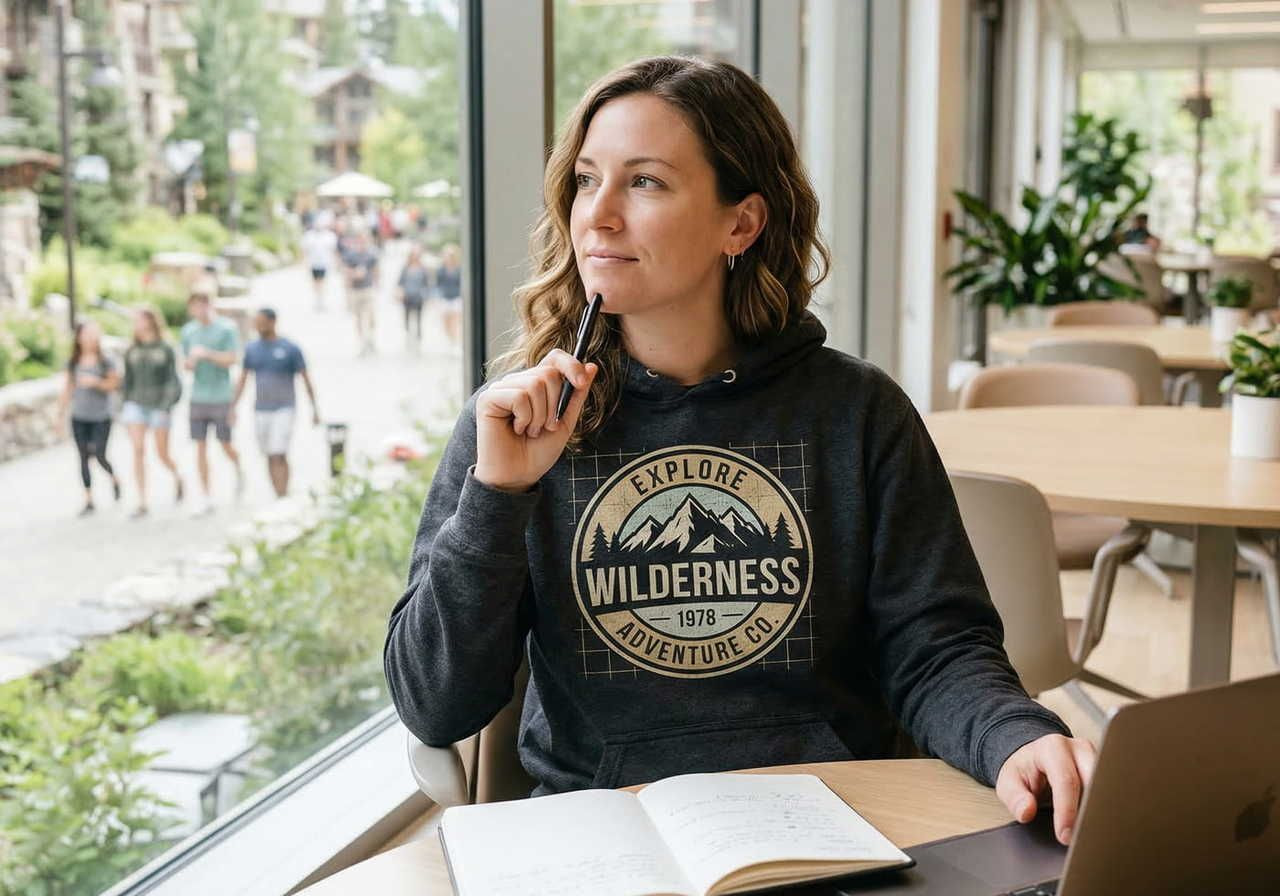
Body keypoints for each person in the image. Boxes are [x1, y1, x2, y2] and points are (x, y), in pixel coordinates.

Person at [384, 57, 1097, 848]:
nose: (599, 216)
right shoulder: (515, 428)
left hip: (836, 828)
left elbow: (936, 647)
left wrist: (1015, 735)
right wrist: (497, 497)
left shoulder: (857, 413)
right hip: (606, 837)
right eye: (588, 180)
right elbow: (434, 706)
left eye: (645, 183)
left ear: (741, 223)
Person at [232, 308, 319, 498]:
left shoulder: (290, 349)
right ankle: (277, 492)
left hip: (284, 407)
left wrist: (315, 408)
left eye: (262, 322)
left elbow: (305, 378)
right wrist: (233, 406)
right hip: (261, 408)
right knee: (269, 453)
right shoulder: (252, 349)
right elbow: (243, 379)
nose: (258, 326)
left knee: (279, 451)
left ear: (273, 322)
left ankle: (283, 493)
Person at [180, 285, 243, 515]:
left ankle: (237, 466)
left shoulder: (226, 328)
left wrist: (207, 354)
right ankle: (206, 494)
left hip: (221, 394)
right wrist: (191, 362)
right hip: (198, 395)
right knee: (200, 446)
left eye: (203, 303)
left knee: (225, 443)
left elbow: (232, 358)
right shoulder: (188, 332)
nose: (199, 308)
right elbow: (185, 363)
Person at [120, 306, 185, 518]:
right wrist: (124, 403)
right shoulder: (132, 350)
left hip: (159, 405)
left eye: (140, 319)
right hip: (136, 403)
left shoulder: (165, 348)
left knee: (161, 453)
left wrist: (166, 405)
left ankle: (178, 476)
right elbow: (127, 381)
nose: (137, 323)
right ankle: (142, 500)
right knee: (138, 450)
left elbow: (173, 381)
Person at [56, 320, 122, 516]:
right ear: (78, 337)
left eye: (92, 334)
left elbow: (114, 385)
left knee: (99, 454)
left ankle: (114, 479)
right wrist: (59, 415)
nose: (89, 339)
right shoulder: (74, 361)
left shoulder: (106, 360)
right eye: (85, 335)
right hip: (79, 416)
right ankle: (89, 499)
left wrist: (95, 382)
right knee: (83, 457)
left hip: (101, 416)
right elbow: (67, 388)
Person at [343, 230, 380, 356]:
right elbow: (346, 273)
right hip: (355, 289)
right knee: (358, 317)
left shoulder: (371, 255)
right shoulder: (351, 255)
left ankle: (370, 339)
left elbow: (376, 270)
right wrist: (355, 275)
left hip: (368, 288)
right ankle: (361, 342)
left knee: (370, 315)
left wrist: (377, 284)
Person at [397, 245, 431, 349]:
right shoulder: (405, 268)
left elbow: (427, 284)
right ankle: (408, 335)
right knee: (407, 317)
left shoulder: (423, 268)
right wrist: (400, 292)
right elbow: (400, 282)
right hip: (407, 296)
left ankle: (418, 338)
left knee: (419, 318)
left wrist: (427, 296)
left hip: (418, 297)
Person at [301, 220, 339, 311]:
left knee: (322, 282)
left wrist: (337, 262)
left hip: (324, 263)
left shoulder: (329, 236)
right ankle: (318, 299)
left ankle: (321, 300)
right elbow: (304, 250)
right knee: (315, 282)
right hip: (313, 263)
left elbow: (333, 250)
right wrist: (303, 262)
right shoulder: (309, 236)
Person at [434, 243, 462, 350]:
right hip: (444, 298)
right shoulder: (441, 270)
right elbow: (438, 284)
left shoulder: (459, 269)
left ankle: (455, 342)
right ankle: (450, 339)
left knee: (455, 321)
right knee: (445, 322)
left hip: (456, 297)